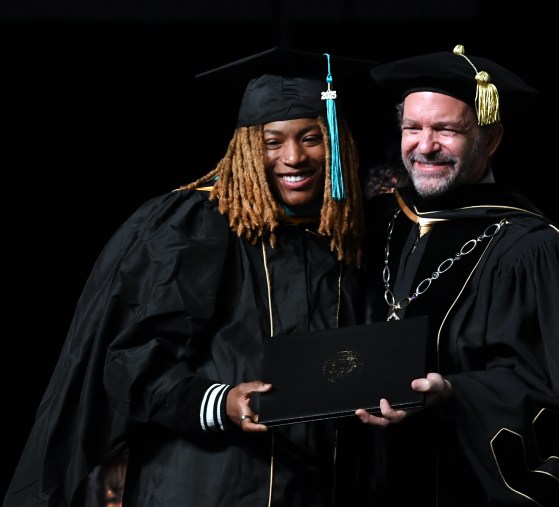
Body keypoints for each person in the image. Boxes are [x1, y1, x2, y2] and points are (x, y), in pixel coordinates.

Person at [3, 47, 375, 506]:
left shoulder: (343, 230)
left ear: (337, 143)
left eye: (311, 138)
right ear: (245, 147)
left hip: (316, 485)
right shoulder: (198, 224)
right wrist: (221, 402)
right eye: (272, 141)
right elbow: (132, 362)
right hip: (207, 481)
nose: (293, 157)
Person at [357, 44, 559, 506]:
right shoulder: (377, 223)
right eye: (413, 127)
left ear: (490, 139)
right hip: (369, 479)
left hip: (461, 485)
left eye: (446, 129)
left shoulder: (530, 246)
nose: (425, 146)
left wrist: (452, 392)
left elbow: (554, 390)